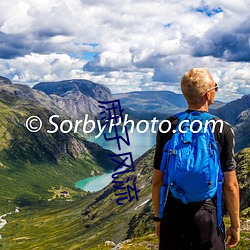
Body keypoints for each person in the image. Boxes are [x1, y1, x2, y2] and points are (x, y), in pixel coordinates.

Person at [152, 68, 240, 250]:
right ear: (208, 94)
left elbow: (157, 181)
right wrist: (235, 225)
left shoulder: (168, 125)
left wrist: (158, 218)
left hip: (174, 212)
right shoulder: (222, 129)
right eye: (216, 87)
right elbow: (230, 185)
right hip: (207, 215)